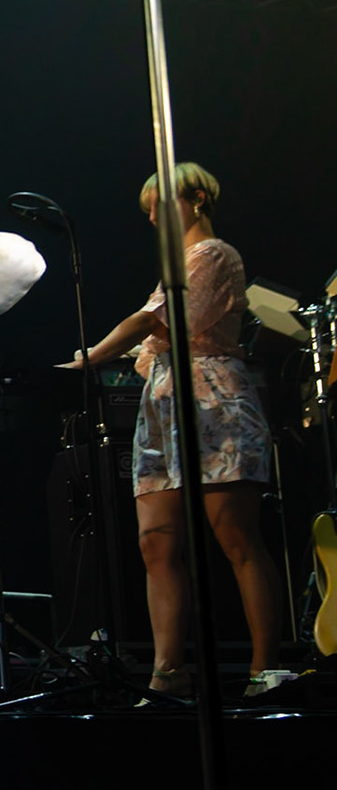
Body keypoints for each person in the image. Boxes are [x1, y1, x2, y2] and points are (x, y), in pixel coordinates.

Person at [69, 162, 282, 697]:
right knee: (155, 543)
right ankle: (168, 673)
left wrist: (91, 356)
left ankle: (265, 670)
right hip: (164, 410)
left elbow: (153, 321)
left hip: (213, 403)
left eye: (158, 207)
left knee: (235, 535)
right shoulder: (181, 262)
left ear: (196, 201)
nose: (152, 220)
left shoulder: (211, 255)